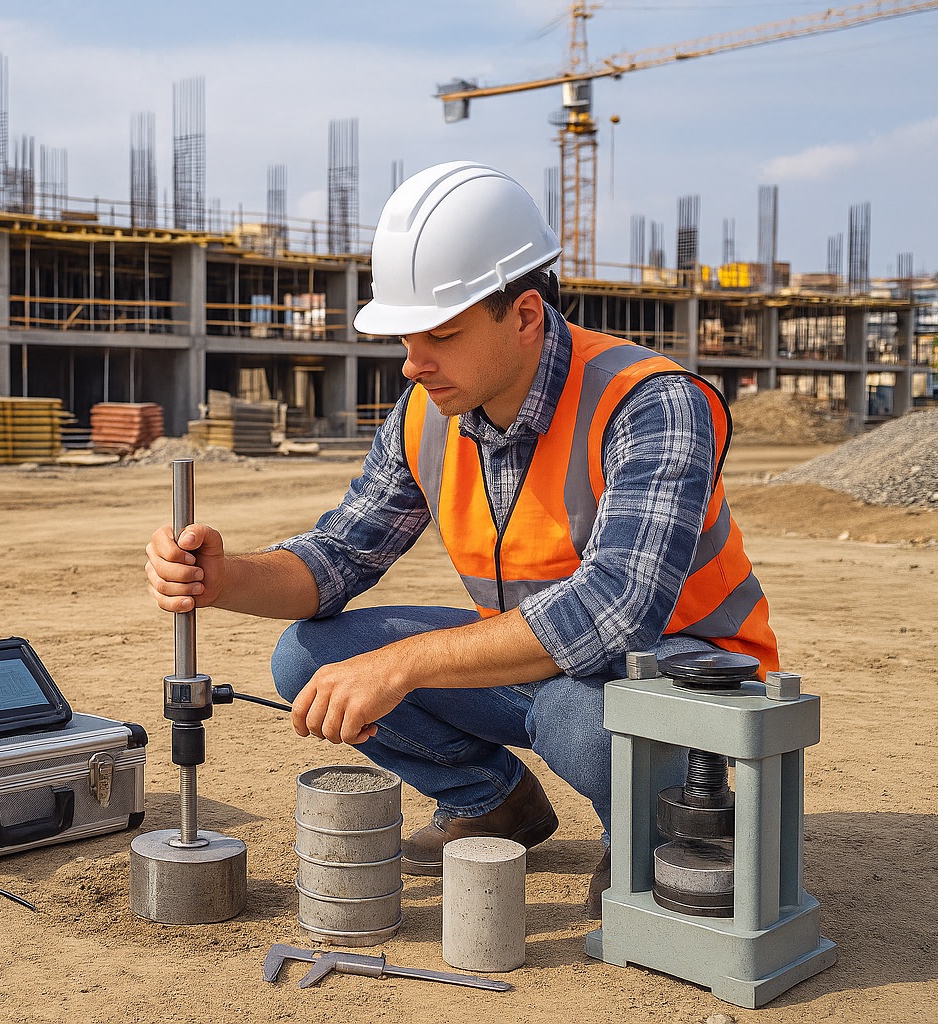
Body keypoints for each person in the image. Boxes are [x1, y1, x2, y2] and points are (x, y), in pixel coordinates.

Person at [145, 161, 778, 916]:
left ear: (525, 316)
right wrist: (226, 579)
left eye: (440, 335)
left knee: (578, 711)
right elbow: (340, 556)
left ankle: (652, 833)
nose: (414, 363)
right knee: (309, 655)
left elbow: (615, 612)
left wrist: (404, 664)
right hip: (538, 662)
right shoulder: (427, 412)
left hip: (684, 677)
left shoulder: (652, 402)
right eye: (406, 338)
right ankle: (494, 800)